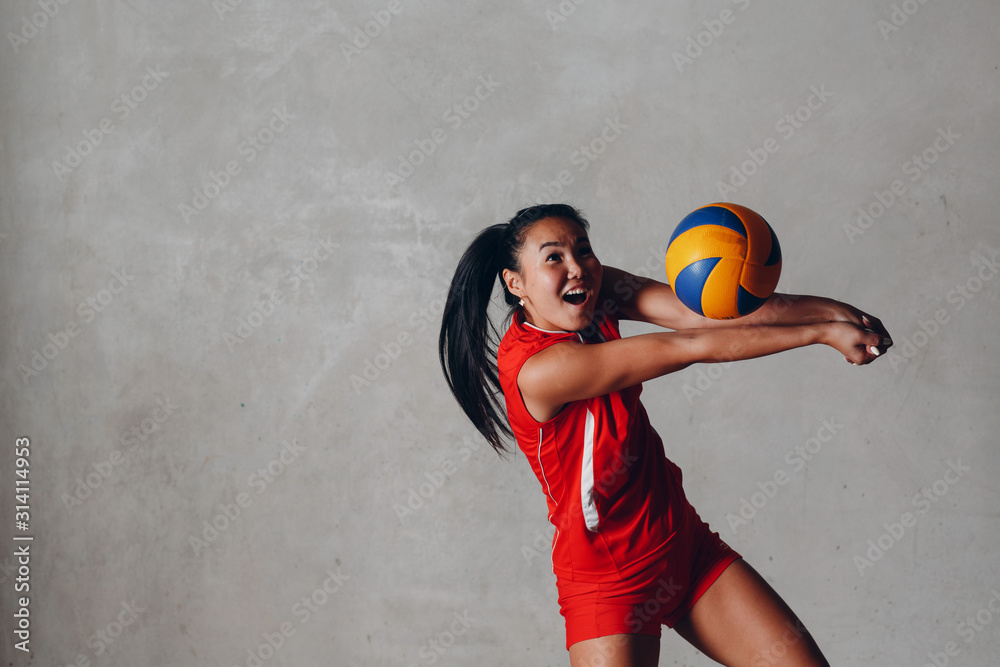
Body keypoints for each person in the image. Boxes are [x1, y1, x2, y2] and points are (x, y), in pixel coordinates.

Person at [437, 203, 892, 666]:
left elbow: (697, 314)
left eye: (584, 250)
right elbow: (687, 346)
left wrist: (835, 312)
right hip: (611, 580)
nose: (577, 267)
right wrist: (819, 333)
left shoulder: (592, 289)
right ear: (516, 284)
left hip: (683, 546)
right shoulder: (540, 370)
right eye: (553, 257)